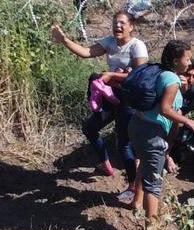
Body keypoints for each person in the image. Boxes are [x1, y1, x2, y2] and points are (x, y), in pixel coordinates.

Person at [53, 12, 148, 176]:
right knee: (90, 128)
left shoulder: (136, 45)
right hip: (110, 94)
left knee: (123, 143)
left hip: (128, 98)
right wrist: (64, 40)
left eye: (122, 23)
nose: (117, 26)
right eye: (115, 23)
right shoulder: (110, 42)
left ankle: (133, 183)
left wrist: (113, 75)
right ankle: (106, 164)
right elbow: (86, 52)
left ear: (131, 26)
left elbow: (141, 76)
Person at [128, 40, 194, 222]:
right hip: (151, 132)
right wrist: (188, 121)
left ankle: (136, 204)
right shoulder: (172, 79)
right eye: (187, 59)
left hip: (136, 125)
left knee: (144, 164)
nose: (189, 63)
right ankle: (150, 229)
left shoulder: (159, 70)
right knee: (153, 183)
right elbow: (165, 110)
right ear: (176, 61)